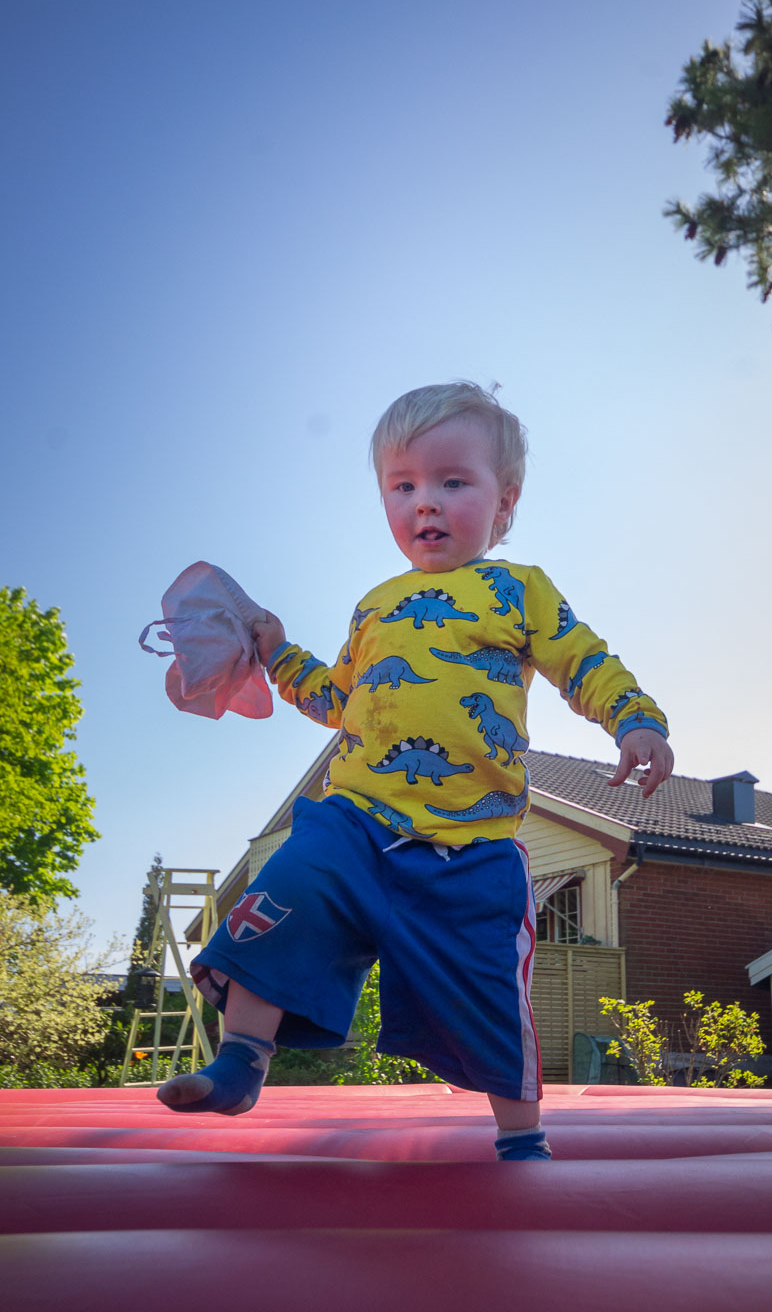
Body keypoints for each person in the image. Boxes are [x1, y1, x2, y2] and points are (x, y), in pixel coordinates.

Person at [158, 382, 673, 1158]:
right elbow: (338, 698)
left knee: (490, 988)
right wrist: (273, 648)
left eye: (451, 482)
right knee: (289, 887)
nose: (423, 503)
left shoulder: (516, 589)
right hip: (359, 818)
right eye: (402, 487)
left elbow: (583, 661)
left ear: (505, 504)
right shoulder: (375, 606)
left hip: (469, 847)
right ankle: (240, 1060)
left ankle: (521, 1138)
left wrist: (634, 719)